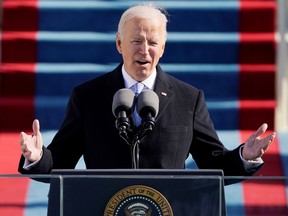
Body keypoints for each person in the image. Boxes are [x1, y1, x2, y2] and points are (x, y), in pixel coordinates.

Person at [18, 3, 276, 178]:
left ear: (163, 47)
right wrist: (37, 156)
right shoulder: (88, 96)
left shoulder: (189, 98)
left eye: (153, 42)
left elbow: (214, 162)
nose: (144, 50)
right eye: (136, 41)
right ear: (119, 44)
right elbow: (61, 161)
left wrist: (244, 155)